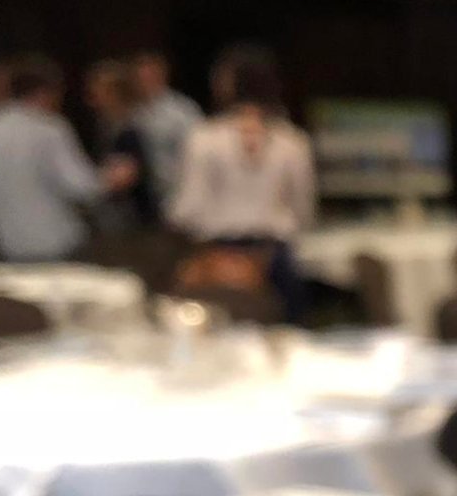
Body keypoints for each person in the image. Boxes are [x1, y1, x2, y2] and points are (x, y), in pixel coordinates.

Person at [170, 44, 315, 318]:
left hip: (216, 260)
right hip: (274, 260)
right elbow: (304, 211)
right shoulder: (293, 141)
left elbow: (188, 210)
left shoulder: (204, 138)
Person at [0, 55, 136, 262]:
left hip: (9, 244)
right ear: (46, 93)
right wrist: (111, 178)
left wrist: (0, 196)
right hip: (58, 243)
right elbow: (80, 186)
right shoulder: (51, 129)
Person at [84, 60, 159, 228]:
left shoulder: (132, 127)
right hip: (116, 212)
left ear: (114, 94)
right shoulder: (106, 125)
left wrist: (88, 184)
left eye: (97, 93)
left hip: (133, 216)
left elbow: (126, 175)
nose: (92, 100)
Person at [131, 50, 203, 209]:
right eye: (140, 78)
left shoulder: (182, 110)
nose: (144, 82)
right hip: (148, 194)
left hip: (178, 190)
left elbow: (198, 152)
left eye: (149, 76)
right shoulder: (134, 112)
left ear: (162, 76)